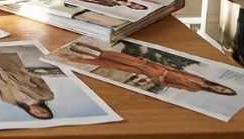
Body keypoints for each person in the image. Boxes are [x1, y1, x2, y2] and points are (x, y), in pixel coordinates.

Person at [66, 42, 237, 95]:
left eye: (221, 91)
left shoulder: (194, 89)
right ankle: (82, 47)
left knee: (113, 64)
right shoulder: (201, 79)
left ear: (218, 93)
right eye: (224, 88)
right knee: (113, 55)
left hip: (151, 72)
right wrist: (160, 67)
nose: (220, 88)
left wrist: (160, 77)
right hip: (153, 65)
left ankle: (81, 58)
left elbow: (169, 84)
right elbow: (177, 71)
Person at [0, 48, 55, 119]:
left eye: (37, 113)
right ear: (47, 109)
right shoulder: (47, 96)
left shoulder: (10, 100)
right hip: (17, 74)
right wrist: (26, 74)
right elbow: (40, 81)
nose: (39, 110)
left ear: (31, 113)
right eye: (43, 111)